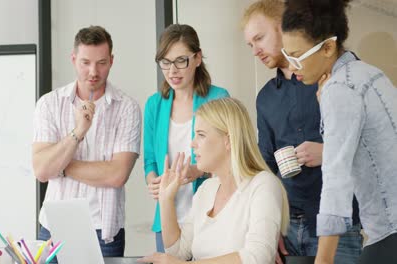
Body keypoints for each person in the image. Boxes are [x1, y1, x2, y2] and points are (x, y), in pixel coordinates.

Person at [242, 1, 362, 263]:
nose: (255, 51)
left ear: (283, 27)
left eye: (259, 38)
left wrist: (327, 152)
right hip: (288, 229)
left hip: (340, 223)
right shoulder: (265, 98)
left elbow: (371, 145)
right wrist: (267, 230)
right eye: (250, 44)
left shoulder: (337, 77)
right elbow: (266, 167)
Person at [281, 0, 397, 263]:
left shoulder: (339, 90)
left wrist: (322, 260)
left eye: (297, 55)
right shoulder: (370, 73)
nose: (291, 65)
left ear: (328, 47)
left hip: (389, 233)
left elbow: (336, 182)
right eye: (287, 55)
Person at [32, 26, 141, 258]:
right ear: (73, 60)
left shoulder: (127, 108)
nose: (93, 71)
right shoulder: (49, 104)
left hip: (104, 231)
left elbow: (117, 175)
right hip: (53, 228)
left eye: (101, 62)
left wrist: (60, 167)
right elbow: (41, 170)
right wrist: (78, 132)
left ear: (111, 61)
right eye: (85, 62)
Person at [139, 97, 289, 263]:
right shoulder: (206, 189)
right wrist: (165, 199)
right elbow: (178, 253)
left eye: (201, 135)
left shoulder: (263, 185)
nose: (192, 144)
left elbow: (257, 257)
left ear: (228, 140)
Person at [143, 24, 229, 252]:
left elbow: (230, 156)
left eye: (181, 61)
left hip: (210, 215)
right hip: (167, 218)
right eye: (166, 62)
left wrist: (198, 170)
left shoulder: (219, 98)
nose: (173, 71)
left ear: (198, 58)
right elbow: (150, 159)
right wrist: (153, 182)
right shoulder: (154, 104)